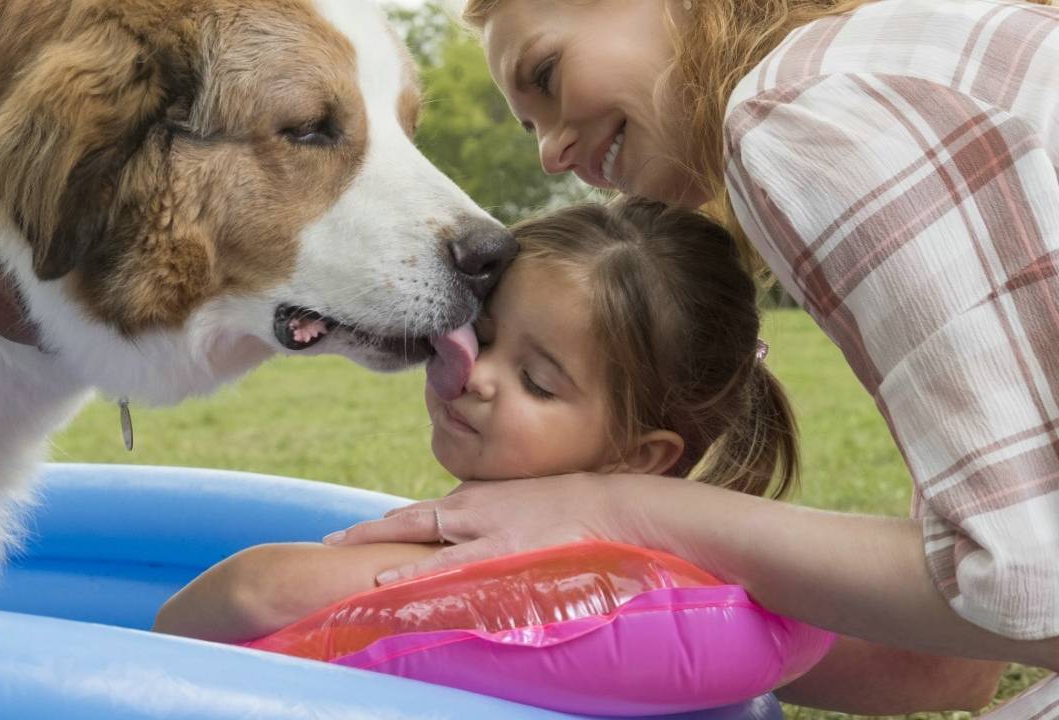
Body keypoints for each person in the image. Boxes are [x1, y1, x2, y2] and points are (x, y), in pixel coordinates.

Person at [327, 0, 1059, 715]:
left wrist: (620, 509)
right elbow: (950, 665)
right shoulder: (891, 50)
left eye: (547, 74)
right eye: (531, 125)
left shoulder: (802, 111)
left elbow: (1023, 592)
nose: (549, 153)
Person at [155, 197, 800, 644]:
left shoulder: (561, 567)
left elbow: (252, 592)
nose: (480, 375)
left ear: (638, 458)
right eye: (482, 336)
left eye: (537, 383)